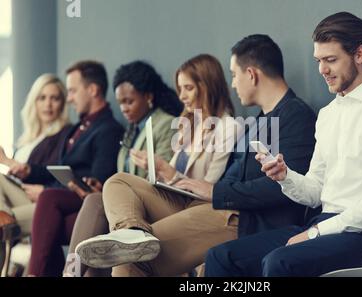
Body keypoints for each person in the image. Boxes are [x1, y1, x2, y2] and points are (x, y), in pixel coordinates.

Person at [77, 35, 317, 277]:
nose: (233, 84)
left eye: (234, 75)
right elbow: (233, 178)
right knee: (118, 182)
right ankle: (131, 231)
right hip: (212, 205)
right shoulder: (259, 121)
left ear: (252, 74)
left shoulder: (295, 115)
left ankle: (123, 247)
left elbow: (286, 188)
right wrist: (199, 189)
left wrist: (214, 191)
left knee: (129, 259)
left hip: (241, 218)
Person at [204, 12, 362, 277]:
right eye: (319, 60)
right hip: (325, 224)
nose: (322, 70)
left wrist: (316, 232)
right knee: (221, 257)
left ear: (359, 54)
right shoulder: (328, 115)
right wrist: (285, 177)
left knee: (279, 262)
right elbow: (315, 191)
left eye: (331, 60)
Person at [75, 54, 240, 277]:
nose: (182, 96)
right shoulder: (188, 125)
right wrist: (158, 169)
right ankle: (131, 233)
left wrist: (168, 172)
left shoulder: (228, 127)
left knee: (123, 253)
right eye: (180, 88)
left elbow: (211, 187)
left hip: (197, 207)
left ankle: (85, 264)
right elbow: (170, 178)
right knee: (117, 180)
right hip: (174, 198)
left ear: (207, 86)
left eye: (188, 88)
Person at [62, 60, 182, 277]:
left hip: (152, 204)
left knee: (94, 203)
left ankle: (70, 274)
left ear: (148, 96)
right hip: (128, 204)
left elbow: (161, 177)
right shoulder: (132, 129)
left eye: (129, 101)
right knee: (94, 217)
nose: (124, 108)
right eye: (120, 103)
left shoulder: (166, 125)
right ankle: (71, 274)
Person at [26, 61, 124, 277]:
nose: (68, 98)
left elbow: (97, 181)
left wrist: (47, 189)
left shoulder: (109, 129)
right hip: (69, 205)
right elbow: (56, 169)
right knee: (51, 222)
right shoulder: (77, 129)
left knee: (48, 201)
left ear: (92, 90)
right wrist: (27, 170)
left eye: (71, 91)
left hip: (88, 199)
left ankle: (33, 274)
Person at [0, 74, 71, 273]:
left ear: (63, 103)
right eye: (42, 98)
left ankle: (4, 219)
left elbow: (54, 172)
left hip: (40, 199)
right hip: (18, 197)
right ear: (34, 102)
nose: (48, 104)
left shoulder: (64, 135)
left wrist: (7, 161)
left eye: (55, 98)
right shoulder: (26, 139)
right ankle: (2, 216)